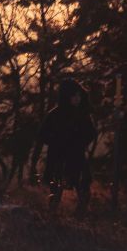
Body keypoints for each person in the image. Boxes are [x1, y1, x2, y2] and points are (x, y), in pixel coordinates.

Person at [35, 78, 98, 213]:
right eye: (74, 95)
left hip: (77, 156)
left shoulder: (82, 114)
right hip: (58, 157)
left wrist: (79, 143)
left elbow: (91, 133)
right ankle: (52, 216)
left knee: (83, 185)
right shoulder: (55, 115)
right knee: (56, 189)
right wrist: (57, 141)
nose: (77, 98)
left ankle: (81, 215)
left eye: (79, 95)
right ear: (67, 96)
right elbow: (42, 134)